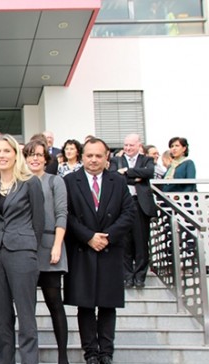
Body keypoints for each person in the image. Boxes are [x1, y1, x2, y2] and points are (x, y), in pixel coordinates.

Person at [64, 138, 135, 364]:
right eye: (89, 155)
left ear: (107, 158)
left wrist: (107, 237)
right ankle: (91, 353)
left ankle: (106, 353)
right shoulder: (69, 181)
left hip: (109, 249)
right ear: (82, 157)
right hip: (82, 248)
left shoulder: (118, 181)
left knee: (107, 304)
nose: (93, 160)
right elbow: (66, 215)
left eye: (98, 156)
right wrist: (88, 237)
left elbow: (128, 213)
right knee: (85, 305)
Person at [0, 134, 44, 364]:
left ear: (15, 154)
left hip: (22, 253)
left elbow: (38, 222)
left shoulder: (30, 183)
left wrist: (27, 246)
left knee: (26, 318)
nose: (1, 155)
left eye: (6, 151)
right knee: (0, 319)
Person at [23, 138, 70, 364]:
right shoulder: (20, 181)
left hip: (50, 245)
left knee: (54, 302)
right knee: (27, 305)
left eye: (39, 155)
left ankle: (62, 356)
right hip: (25, 248)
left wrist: (57, 245)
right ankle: (31, 355)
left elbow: (62, 213)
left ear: (46, 158)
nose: (35, 158)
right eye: (31, 154)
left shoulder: (55, 181)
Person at [110, 134, 156, 289]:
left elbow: (149, 173)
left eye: (131, 145)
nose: (128, 148)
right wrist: (136, 175)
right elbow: (114, 176)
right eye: (126, 145)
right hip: (123, 205)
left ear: (139, 145)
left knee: (141, 242)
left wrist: (127, 172)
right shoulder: (116, 160)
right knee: (125, 242)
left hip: (140, 204)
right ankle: (128, 277)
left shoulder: (147, 160)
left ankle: (140, 277)